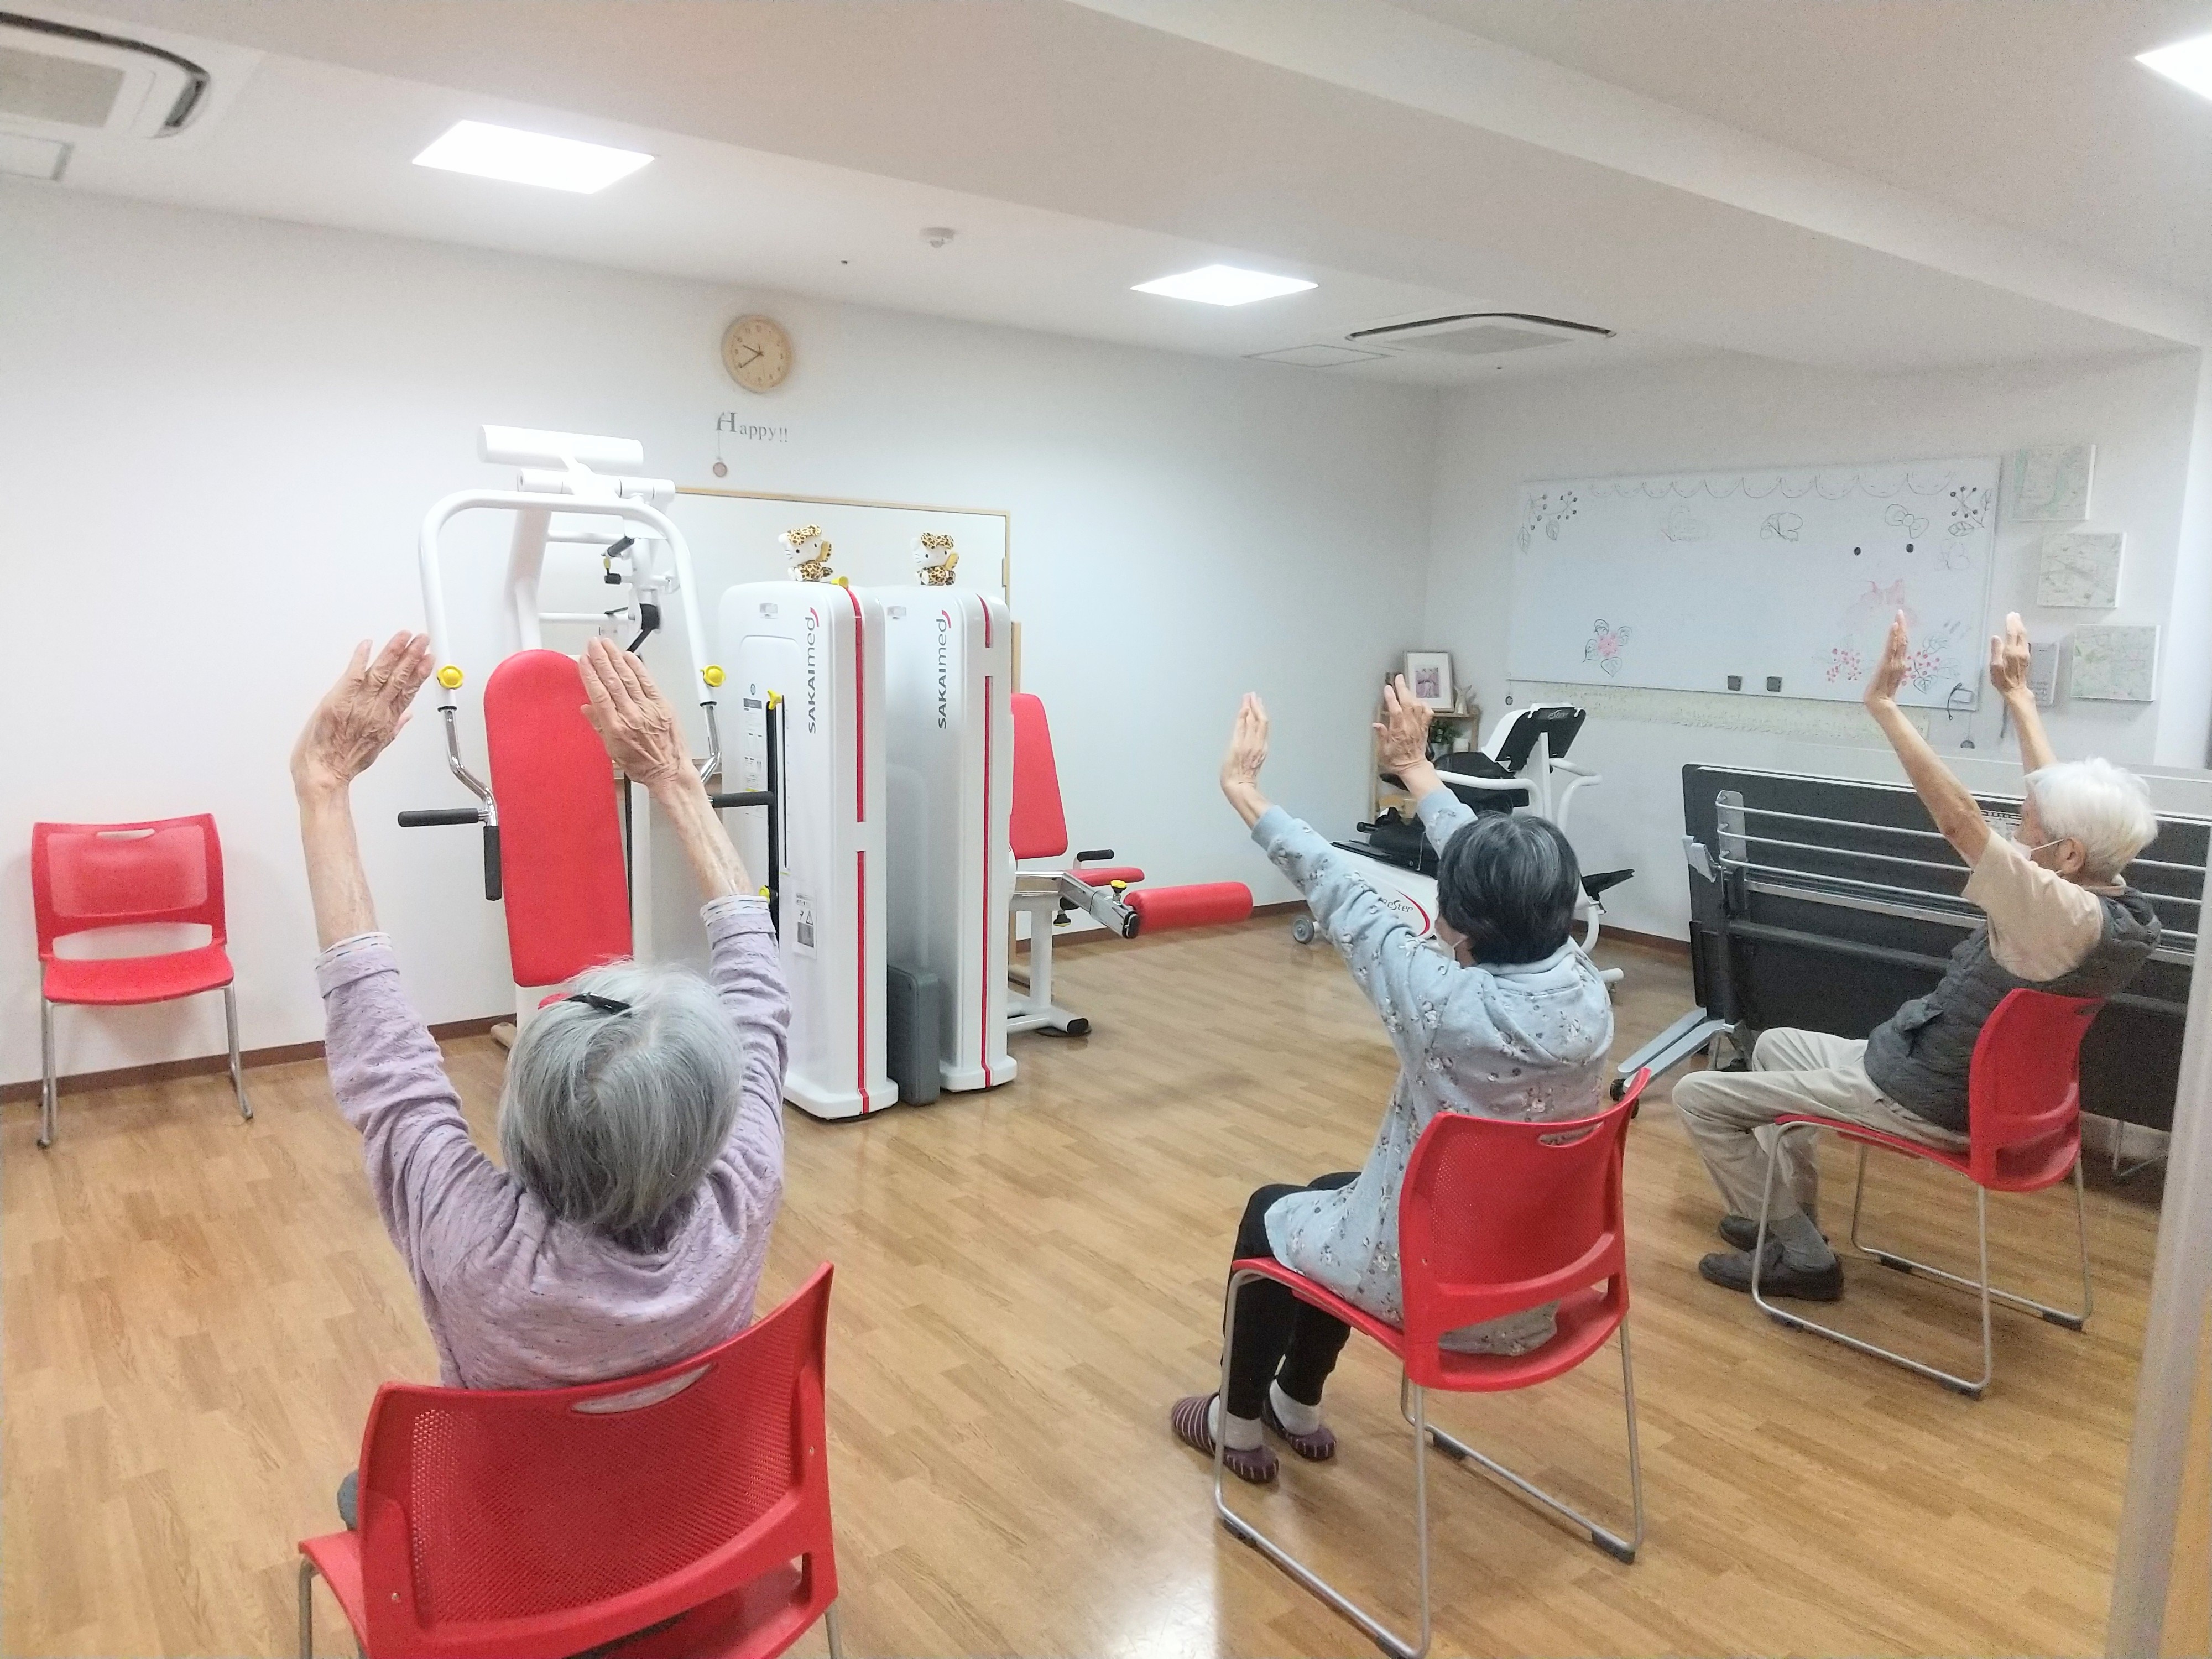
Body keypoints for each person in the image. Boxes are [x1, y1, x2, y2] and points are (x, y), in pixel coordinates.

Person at [292, 632, 787, 1525]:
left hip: (521, 1550)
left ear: (521, 1123)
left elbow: (385, 1060)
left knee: (367, 1492)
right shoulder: (739, 1191)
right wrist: (673, 777)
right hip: (692, 1520)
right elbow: (759, 982)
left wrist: (323, 788)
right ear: (714, 1119)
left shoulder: (473, 1244)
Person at [1170, 679, 1614, 1483]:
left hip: (1443, 1293)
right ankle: (1296, 1400)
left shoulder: (1444, 1004)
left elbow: (1338, 885)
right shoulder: (1587, 987)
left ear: (1457, 921)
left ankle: (1233, 1422)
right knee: (1336, 1191)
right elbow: (1481, 862)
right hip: (1538, 1281)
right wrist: (1415, 769)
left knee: (1271, 1212)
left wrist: (1242, 788)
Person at [1677, 612, 2161, 1300]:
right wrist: (2019, 698)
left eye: (2026, 826)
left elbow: (1959, 821)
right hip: (1943, 1076)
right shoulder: (2110, 900)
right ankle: (1791, 1225)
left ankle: (1804, 1261)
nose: (2016, 831)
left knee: (1699, 1098)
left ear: (2068, 854)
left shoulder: (2058, 913)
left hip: (1924, 1098)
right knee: (1777, 1044)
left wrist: (1883, 706)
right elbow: (2055, 804)